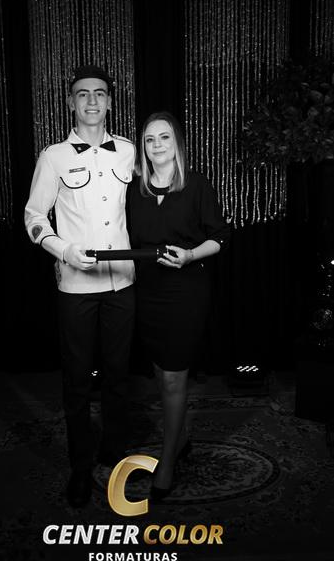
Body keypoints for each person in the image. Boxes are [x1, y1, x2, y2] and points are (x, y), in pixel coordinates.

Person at [25, 65, 135, 507]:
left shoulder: (128, 151)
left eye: (100, 93)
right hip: (75, 287)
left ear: (110, 102)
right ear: (71, 102)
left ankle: (114, 454)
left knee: (119, 376)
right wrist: (64, 250)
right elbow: (34, 217)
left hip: (123, 282)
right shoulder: (53, 156)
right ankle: (80, 466)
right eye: (83, 94)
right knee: (76, 381)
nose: (92, 100)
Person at [127, 111, 230, 501]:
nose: (157, 145)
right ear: (143, 147)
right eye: (149, 139)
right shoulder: (133, 191)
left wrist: (189, 256)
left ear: (177, 144)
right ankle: (181, 436)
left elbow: (220, 236)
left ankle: (167, 461)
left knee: (173, 376)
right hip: (147, 292)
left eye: (164, 137)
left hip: (186, 292)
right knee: (160, 370)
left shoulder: (196, 185)